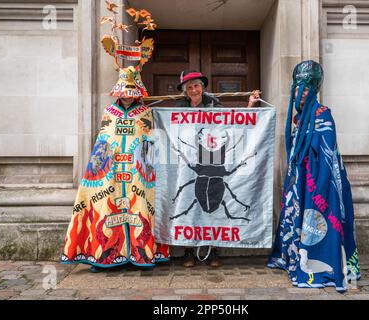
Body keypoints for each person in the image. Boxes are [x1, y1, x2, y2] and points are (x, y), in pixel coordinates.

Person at [61, 7, 169, 272]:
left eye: (133, 92)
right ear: (118, 92)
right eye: (125, 91)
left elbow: (151, 143)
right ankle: (106, 255)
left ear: (138, 92)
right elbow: (103, 142)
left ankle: (140, 254)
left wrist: (148, 167)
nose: (129, 95)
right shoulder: (109, 113)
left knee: (140, 209)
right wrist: (99, 170)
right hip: (110, 175)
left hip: (137, 175)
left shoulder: (146, 112)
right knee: (105, 210)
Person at [267, 60, 361, 292]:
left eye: (307, 88)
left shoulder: (323, 114)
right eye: (298, 87)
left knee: (316, 223)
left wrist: (315, 184)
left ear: (314, 89)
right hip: (299, 180)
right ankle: (293, 259)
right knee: (295, 219)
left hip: (319, 183)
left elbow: (328, 156)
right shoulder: (298, 118)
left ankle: (322, 267)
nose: (301, 93)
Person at [176, 70, 260, 268]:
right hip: (191, 161)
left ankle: (214, 250)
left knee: (216, 207)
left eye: (196, 86)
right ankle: (188, 252)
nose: (194, 90)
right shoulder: (179, 108)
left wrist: (249, 105)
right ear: (185, 91)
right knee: (189, 204)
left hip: (213, 156)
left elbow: (234, 122)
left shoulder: (214, 105)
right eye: (189, 87)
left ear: (202, 87)